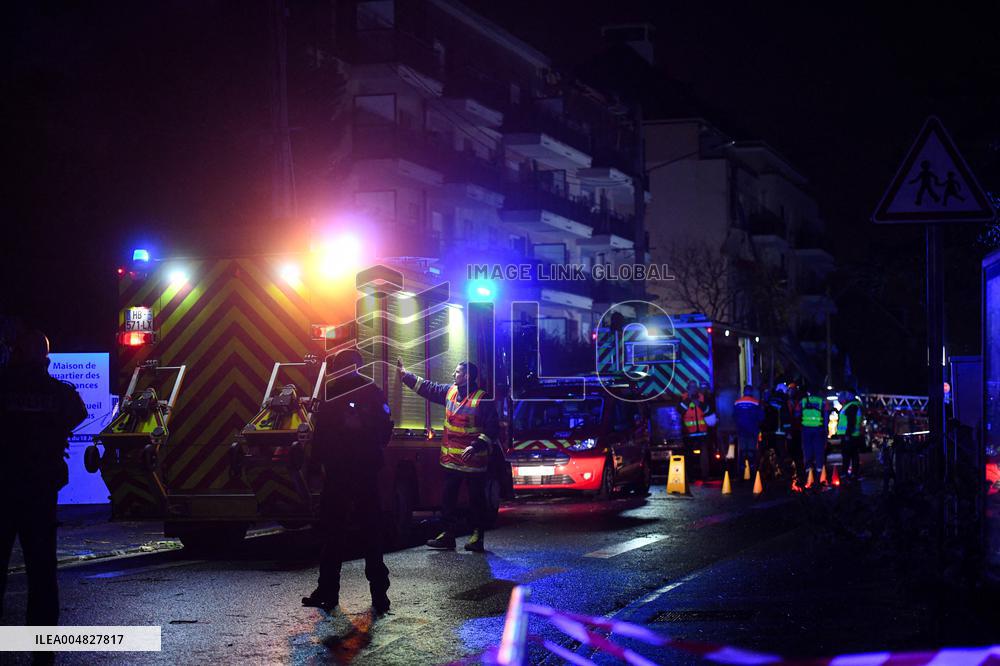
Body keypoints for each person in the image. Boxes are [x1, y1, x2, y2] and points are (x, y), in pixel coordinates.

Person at [0, 330, 87, 629]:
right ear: (45, 359)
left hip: (4, 490)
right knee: (42, 573)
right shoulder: (61, 394)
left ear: (17, 353)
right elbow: (78, 414)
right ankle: (42, 645)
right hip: (40, 492)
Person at [302, 349, 391, 614]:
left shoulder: (333, 391)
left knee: (334, 533)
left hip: (341, 472)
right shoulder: (371, 390)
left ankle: (329, 591)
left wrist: (316, 465)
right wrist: (371, 448)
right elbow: (386, 427)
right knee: (368, 532)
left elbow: (321, 434)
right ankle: (378, 594)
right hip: (361, 471)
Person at [397, 359, 498, 552]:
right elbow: (429, 388)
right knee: (447, 499)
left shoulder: (482, 399)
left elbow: (492, 429)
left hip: (473, 462)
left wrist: (476, 446)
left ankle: (477, 536)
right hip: (452, 461)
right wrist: (405, 376)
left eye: (457, 372)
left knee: (476, 500)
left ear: (467, 376)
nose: (454, 375)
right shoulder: (450, 391)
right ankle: (447, 535)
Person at [798, 385, 828, 483]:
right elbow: (826, 417)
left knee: (807, 453)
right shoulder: (822, 402)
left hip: (806, 431)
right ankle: (818, 477)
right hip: (818, 431)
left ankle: (808, 476)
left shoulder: (802, 401)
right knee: (819, 453)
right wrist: (825, 430)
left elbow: (796, 414)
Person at [733, 386, 763, 477]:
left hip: (741, 431)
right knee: (751, 451)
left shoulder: (737, 402)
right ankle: (753, 472)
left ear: (744, 392)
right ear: (751, 392)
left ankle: (741, 473)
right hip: (752, 431)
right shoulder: (756, 402)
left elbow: (734, 416)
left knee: (742, 451)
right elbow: (761, 417)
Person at [837, 392, 865, 479]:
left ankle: (846, 473)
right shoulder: (853, 405)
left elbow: (851, 421)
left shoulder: (852, 406)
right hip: (853, 434)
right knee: (853, 455)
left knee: (847, 455)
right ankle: (853, 473)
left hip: (850, 435)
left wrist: (847, 434)